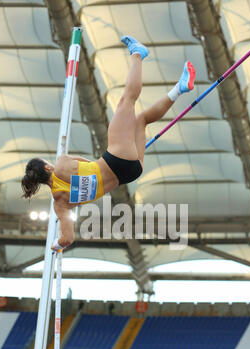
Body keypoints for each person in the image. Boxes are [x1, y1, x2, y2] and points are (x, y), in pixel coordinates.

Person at [20, 35, 196, 252]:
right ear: (47, 167)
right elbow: (88, 163)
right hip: (116, 159)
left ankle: (179, 88)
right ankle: (137, 54)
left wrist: (57, 245)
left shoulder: (60, 204)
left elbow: (69, 238)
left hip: (131, 172)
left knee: (140, 120)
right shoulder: (62, 163)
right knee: (126, 101)